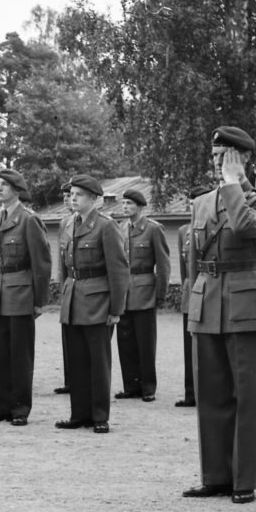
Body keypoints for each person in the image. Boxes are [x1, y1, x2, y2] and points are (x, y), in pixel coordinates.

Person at [183, 127, 256, 504]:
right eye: (215, 155)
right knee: (211, 395)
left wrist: (232, 184)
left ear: (242, 159)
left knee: (247, 397)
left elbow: (245, 226)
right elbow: (194, 262)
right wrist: (193, 301)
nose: (217, 161)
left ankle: (243, 481)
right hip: (208, 300)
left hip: (245, 302)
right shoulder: (201, 202)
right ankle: (215, 476)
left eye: (225, 155)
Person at [55, 175, 129, 434]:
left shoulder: (106, 226)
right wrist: (64, 296)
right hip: (73, 299)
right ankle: (79, 414)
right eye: (72, 193)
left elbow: (118, 271)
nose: (73, 198)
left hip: (98, 302)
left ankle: (99, 416)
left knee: (98, 362)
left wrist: (116, 310)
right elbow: (64, 268)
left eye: (79, 194)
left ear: (94, 199)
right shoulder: (66, 223)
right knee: (76, 361)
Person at [0, 169, 52, 426]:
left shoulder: (28, 219)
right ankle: (1, 407)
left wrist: (38, 301)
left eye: (4, 185)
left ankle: (20, 409)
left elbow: (41, 263)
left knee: (20, 356)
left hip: (21, 293)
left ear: (17, 190)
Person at [114, 187, 172, 402]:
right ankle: (131, 386)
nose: (125, 207)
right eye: (124, 204)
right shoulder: (120, 228)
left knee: (145, 343)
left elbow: (163, 264)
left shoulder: (153, 229)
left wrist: (161, 293)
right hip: (124, 293)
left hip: (145, 290)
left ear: (140, 206)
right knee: (125, 341)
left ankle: (148, 387)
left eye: (130, 204)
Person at [175, 184, 211, 407]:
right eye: (190, 205)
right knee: (189, 347)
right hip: (191, 291)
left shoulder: (213, 226)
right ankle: (191, 394)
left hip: (209, 289)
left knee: (208, 347)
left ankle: (207, 395)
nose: (193, 208)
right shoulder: (183, 231)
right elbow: (184, 267)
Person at [54, 181, 74, 394]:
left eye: (70, 195)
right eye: (65, 196)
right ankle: (70, 381)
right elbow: (63, 262)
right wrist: (63, 288)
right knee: (68, 337)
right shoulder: (64, 223)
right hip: (70, 287)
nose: (67, 199)